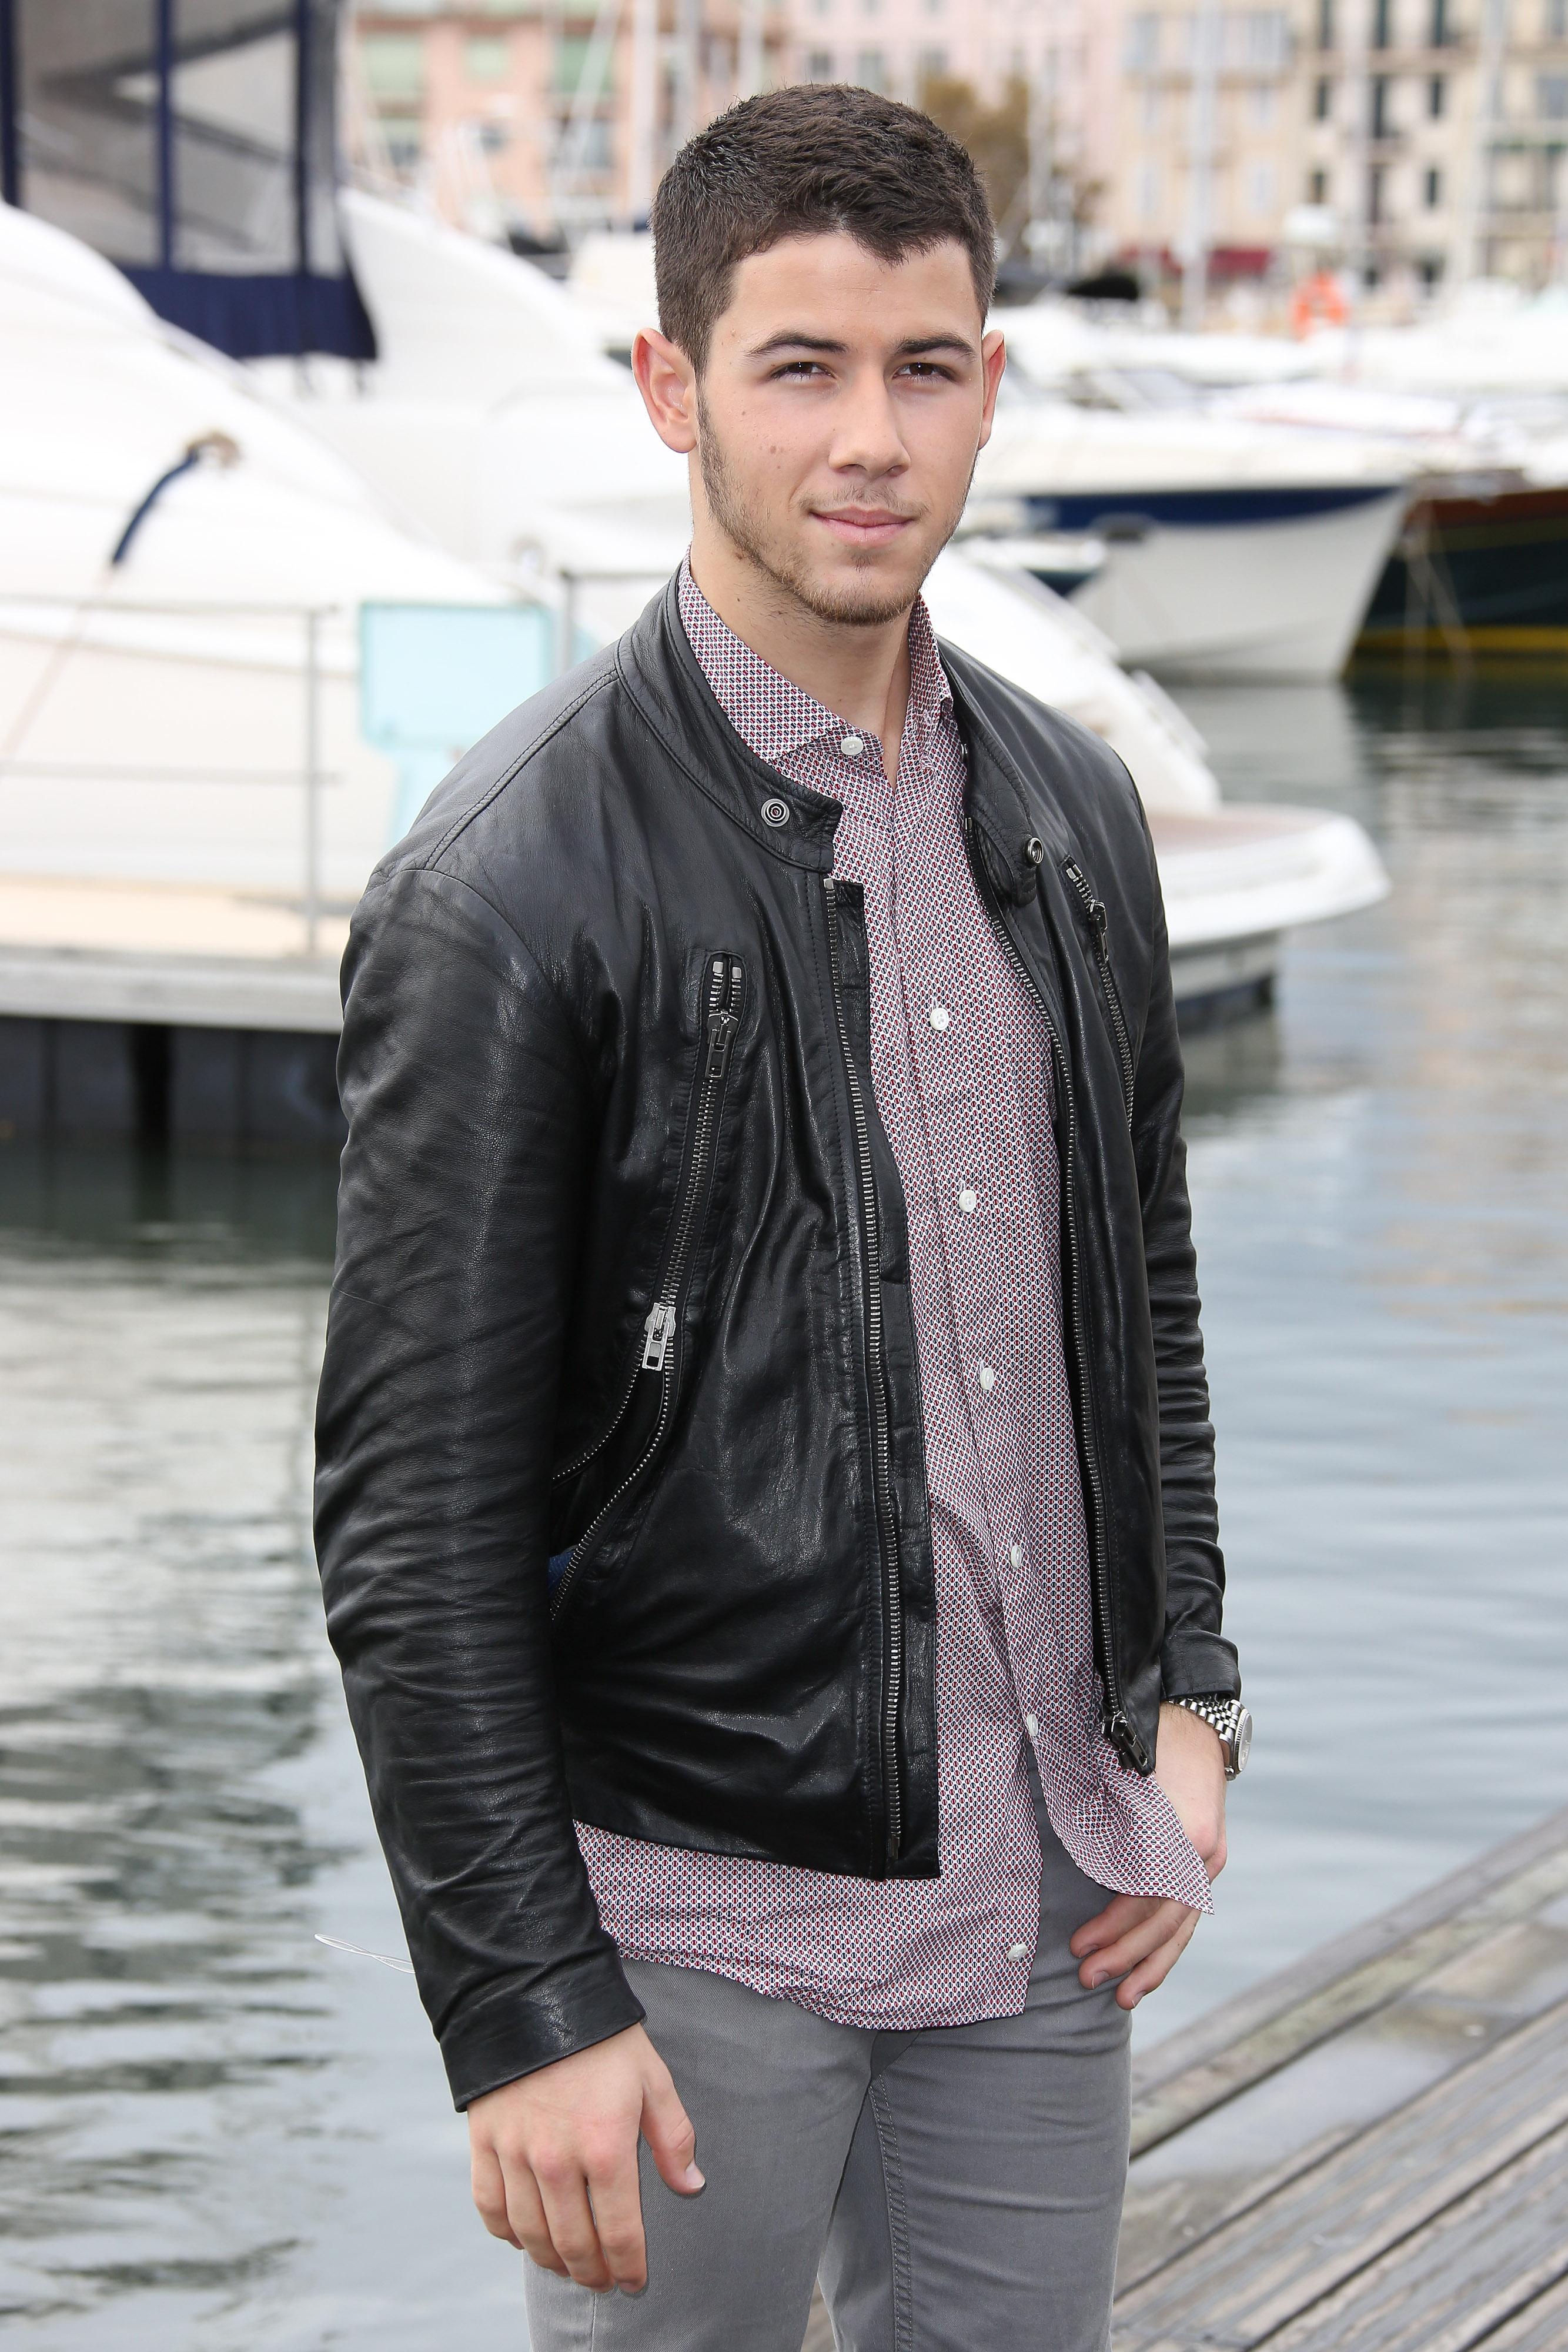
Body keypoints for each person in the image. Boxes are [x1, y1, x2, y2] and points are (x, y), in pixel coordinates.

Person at [314, 82, 1250, 2352]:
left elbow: (1136, 1292)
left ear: (988, 387)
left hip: (1042, 1883)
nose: (869, 438)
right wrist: (521, 1999)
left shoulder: (1066, 809)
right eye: (797, 368)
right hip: (692, 1915)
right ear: (672, 389)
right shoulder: (510, 884)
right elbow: (407, 1524)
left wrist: (1193, 1686)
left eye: (924, 370)